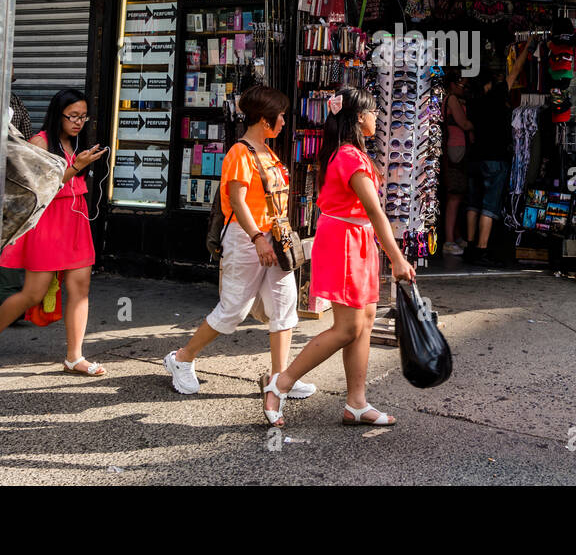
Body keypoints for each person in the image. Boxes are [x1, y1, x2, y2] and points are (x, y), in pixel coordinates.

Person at [264, 87, 415, 428]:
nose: (377, 117)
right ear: (360, 117)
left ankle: (356, 403)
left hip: (356, 239)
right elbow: (375, 212)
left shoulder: (349, 154)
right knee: (348, 327)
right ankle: (280, 383)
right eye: (374, 111)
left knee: (364, 323)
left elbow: (371, 214)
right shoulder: (349, 156)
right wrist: (397, 258)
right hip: (346, 240)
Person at [163, 86, 317, 401]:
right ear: (265, 119)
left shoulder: (267, 152)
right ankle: (182, 359)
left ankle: (280, 378)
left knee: (284, 306)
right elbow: (237, 199)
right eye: (281, 116)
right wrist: (258, 238)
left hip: (275, 240)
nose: (285, 122)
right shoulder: (240, 152)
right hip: (250, 239)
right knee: (233, 308)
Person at [0, 88, 109, 374]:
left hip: (76, 215)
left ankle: (74, 356)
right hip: (48, 220)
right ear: (57, 114)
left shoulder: (78, 142)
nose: (78, 122)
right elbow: (38, 188)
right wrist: (77, 166)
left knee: (80, 288)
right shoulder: (40, 142)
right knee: (33, 293)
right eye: (72, 116)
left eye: (83, 116)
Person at [463, 39, 532, 267]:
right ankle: (482, 249)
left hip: (474, 157)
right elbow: (516, 71)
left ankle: (470, 246)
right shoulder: (496, 95)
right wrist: (528, 44)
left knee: (473, 204)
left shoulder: (473, 101)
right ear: (490, 82)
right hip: (495, 158)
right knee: (489, 205)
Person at [440, 70, 474, 256]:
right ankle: (449, 240)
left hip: (456, 148)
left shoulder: (452, 98)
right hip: (456, 149)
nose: (465, 89)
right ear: (453, 84)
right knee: (454, 196)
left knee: (458, 195)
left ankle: (456, 235)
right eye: (462, 84)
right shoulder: (452, 98)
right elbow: (464, 123)